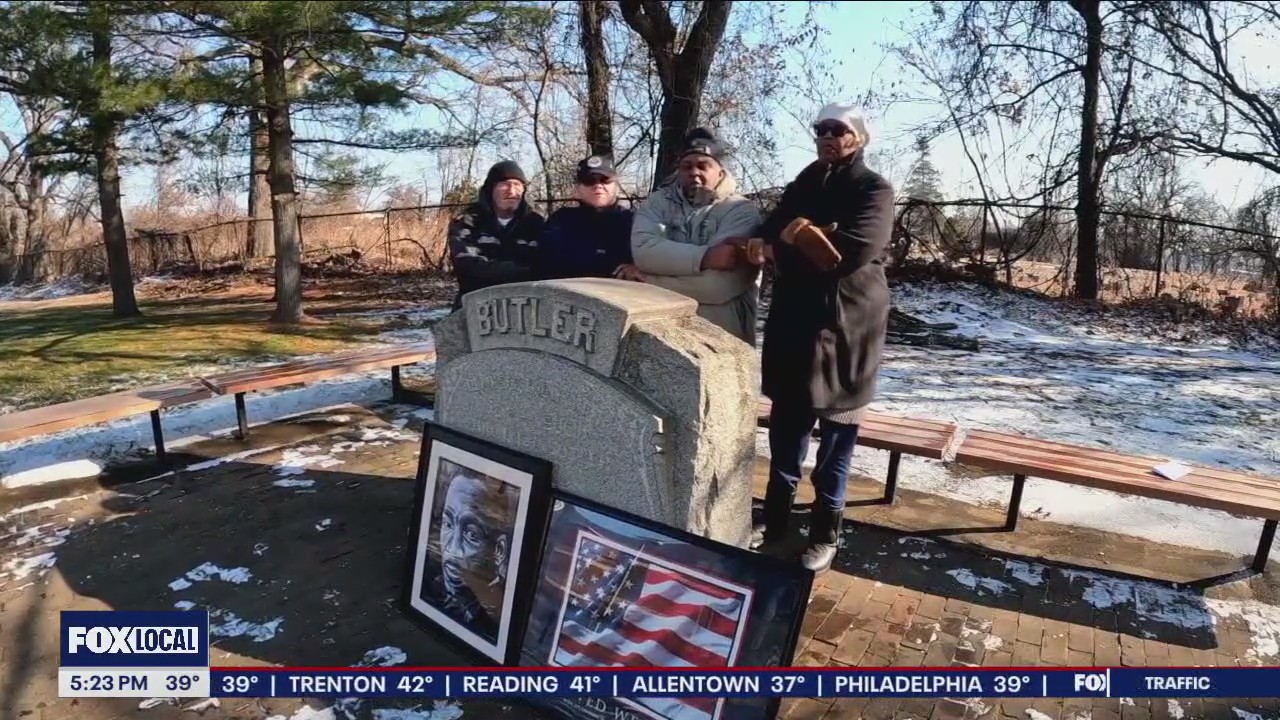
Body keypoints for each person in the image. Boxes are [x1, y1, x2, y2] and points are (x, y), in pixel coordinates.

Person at [747, 103, 896, 574]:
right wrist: (802, 236)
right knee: (786, 433)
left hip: (847, 330)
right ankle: (773, 525)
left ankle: (825, 534)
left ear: (858, 138)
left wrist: (803, 239)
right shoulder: (806, 180)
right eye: (821, 129)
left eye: (839, 129)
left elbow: (849, 254)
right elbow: (771, 232)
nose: (828, 136)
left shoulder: (874, 189)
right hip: (795, 323)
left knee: (836, 444)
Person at [629, 127, 762, 344]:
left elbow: (716, 287)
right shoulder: (657, 204)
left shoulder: (741, 212)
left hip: (723, 339)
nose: (694, 172)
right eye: (687, 166)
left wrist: (646, 280)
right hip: (663, 336)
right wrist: (705, 257)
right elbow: (644, 251)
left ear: (720, 171)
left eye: (703, 165)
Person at [421, 467, 519, 644]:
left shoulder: (501, 613)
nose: (453, 548)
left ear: (499, 550)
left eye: (471, 535)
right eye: (448, 524)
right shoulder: (430, 586)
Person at [447, 160, 546, 309]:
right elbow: (468, 268)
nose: (511, 191)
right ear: (491, 189)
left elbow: (545, 268)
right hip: (476, 304)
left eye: (517, 185)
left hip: (525, 304)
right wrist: (521, 272)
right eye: (504, 184)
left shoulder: (536, 223)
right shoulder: (468, 221)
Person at [539, 154, 641, 281]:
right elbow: (541, 262)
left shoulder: (635, 223)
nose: (598, 185)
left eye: (605, 180)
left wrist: (640, 269)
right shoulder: (560, 221)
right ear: (577, 190)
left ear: (616, 188)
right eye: (589, 181)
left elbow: (657, 263)